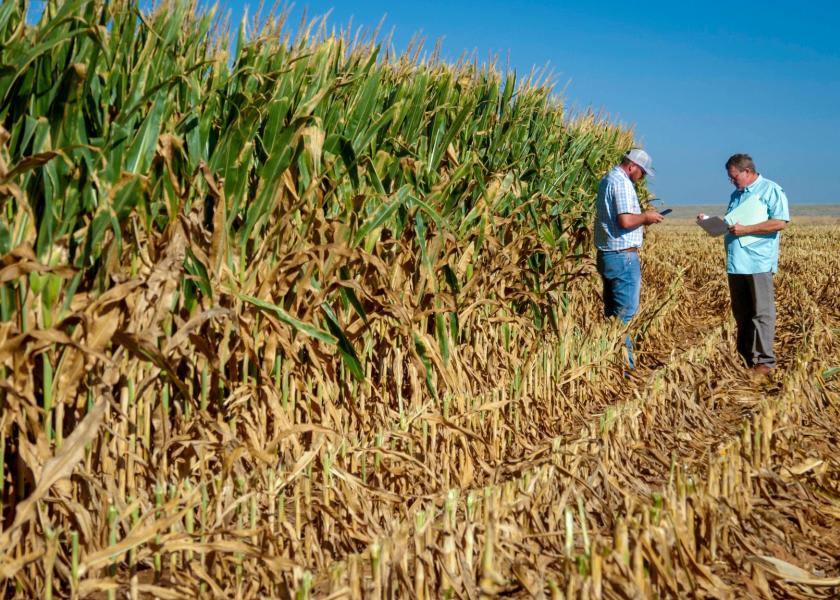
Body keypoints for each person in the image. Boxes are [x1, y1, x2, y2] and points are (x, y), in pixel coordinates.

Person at [594, 148, 664, 369]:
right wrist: (646, 217)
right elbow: (625, 221)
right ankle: (626, 368)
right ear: (632, 166)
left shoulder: (608, 179)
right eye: (641, 172)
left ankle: (608, 363)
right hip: (623, 256)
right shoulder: (622, 183)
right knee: (625, 316)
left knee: (612, 315)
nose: (641, 177)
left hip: (608, 254)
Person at [721, 153, 789, 375]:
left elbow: (780, 222)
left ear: (747, 172)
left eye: (734, 177)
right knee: (742, 313)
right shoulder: (736, 195)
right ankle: (745, 358)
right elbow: (733, 223)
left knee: (762, 313)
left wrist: (746, 230)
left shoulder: (771, 190)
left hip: (758, 262)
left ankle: (765, 362)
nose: (732, 181)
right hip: (736, 262)